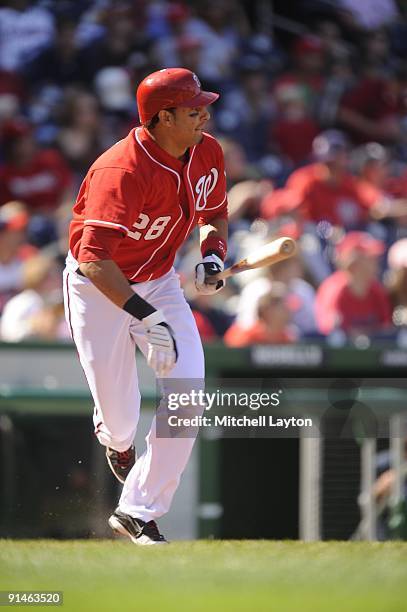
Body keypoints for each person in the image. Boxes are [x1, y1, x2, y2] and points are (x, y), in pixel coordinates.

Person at [63, 68, 228, 545]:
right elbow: (94, 259)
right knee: (120, 420)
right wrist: (145, 316)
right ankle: (115, 439)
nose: (205, 114)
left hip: (158, 281)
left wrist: (212, 254)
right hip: (99, 290)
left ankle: (138, 510)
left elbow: (213, 210)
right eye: (194, 109)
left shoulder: (206, 150)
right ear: (163, 117)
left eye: (203, 106)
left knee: (189, 390)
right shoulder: (122, 169)